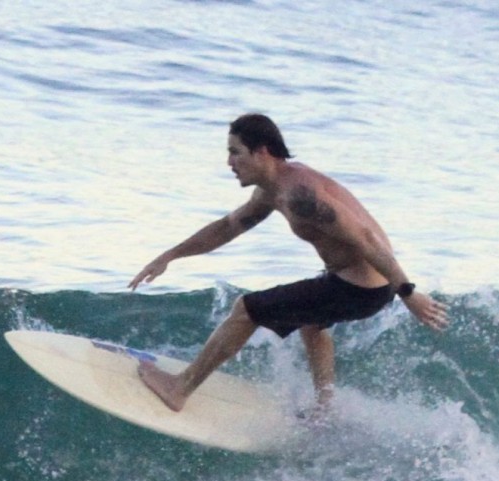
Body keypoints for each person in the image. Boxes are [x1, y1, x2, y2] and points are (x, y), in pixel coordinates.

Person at [128, 113, 448, 413]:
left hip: (361, 288)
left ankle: (179, 389)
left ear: (262, 152)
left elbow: (366, 237)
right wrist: (170, 255)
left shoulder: (300, 195)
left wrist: (408, 293)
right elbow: (228, 227)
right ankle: (325, 408)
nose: (229, 162)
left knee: (247, 309)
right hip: (355, 283)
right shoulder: (273, 191)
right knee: (311, 321)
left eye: (236, 152)